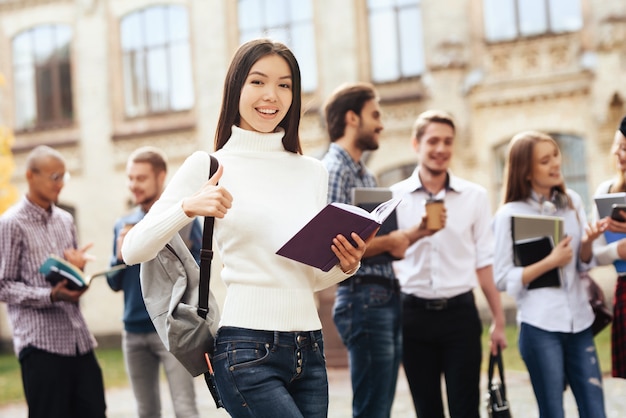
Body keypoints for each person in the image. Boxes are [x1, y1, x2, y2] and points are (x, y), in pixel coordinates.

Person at [121, 38, 369, 418]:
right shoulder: (209, 166)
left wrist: (345, 265)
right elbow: (133, 249)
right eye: (258, 81)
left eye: (284, 84)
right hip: (247, 352)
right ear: (236, 86)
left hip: (310, 349)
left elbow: (306, 277)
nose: (271, 95)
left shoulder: (312, 172)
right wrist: (188, 207)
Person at [321, 82, 435, 418]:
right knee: (372, 410)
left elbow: (376, 241)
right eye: (375, 115)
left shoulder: (367, 176)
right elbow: (334, 246)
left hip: (384, 293)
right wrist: (390, 242)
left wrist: (412, 235)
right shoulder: (334, 170)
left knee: (380, 408)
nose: (382, 124)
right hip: (362, 297)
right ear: (352, 118)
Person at [390, 110, 507, 418]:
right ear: (416, 144)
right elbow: (388, 257)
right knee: (427, 410)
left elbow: (485, 261)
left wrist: (498, 319)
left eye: (448, 142)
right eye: (433, 141)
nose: (441, 149)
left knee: (465, 408)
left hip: (460, 317)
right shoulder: (395, 197)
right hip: (413, 315)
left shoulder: (475, 197)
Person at [492, 130, 606, 417]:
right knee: (552, 413)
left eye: (556, 155)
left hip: (580, 323)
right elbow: (503, 279)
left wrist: (588, 243)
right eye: (545, 160)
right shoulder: (509, 214)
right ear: (526, 171)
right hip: (540, 326)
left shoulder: (573, 203)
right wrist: (549, 261)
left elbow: (582, 265)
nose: (556, 164)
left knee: (596, 411)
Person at [0, 145, 107, 418]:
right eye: (54, 177)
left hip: (78, 339)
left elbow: (71, 283)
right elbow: (4, 285)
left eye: (64, 177)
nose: (60, 184)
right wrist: (49, 296)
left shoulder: (65, 220)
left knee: (95, 410)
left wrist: (77, 271)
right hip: (40, 345)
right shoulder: (11, 223)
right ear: (30, 176)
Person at [108, 146, 200, 418]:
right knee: (145, 411)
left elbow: (196, 275)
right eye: (130, 178)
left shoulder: (182, 221)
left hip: (171, 329)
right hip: (133, 332)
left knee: (185, 408)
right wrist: (119, 256)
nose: (133, 185)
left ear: (161, 177)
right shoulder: (123, 225)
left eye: (141, 178)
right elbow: (114, 284)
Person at [592, 115, 626, 379]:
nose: (617, 152)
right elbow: (595, 255)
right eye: (617, 145)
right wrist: (618, 251)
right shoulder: (607, 190)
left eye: (625, 147)